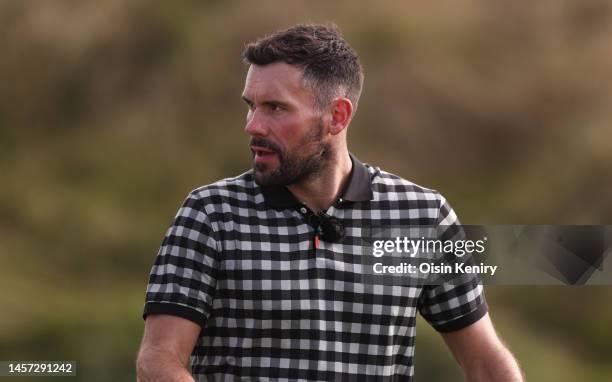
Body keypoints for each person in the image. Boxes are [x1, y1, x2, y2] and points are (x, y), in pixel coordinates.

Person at [136, 23, 524, 381]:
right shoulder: (210, 214)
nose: (252, 125)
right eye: (250, 105)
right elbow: (158, 359)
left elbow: (486, 361)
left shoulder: (422, 217)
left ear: (337, 117)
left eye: (275, 108)